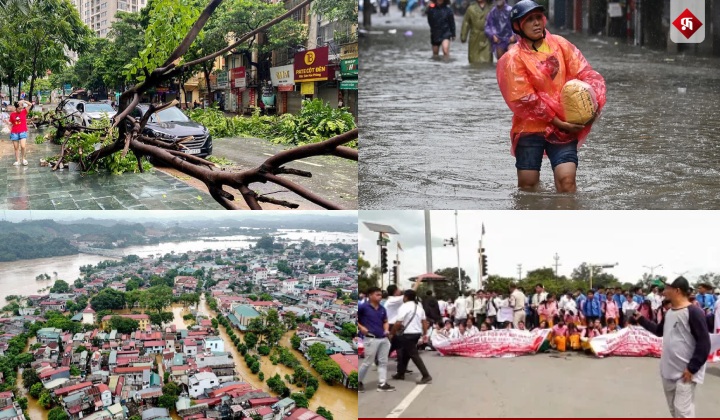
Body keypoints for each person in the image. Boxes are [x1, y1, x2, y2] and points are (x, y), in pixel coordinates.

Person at [496, 0, 606, 193]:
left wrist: (594, 101)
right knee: (527, 186)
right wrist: (559, 122)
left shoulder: (561, 45)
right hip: (530, 128)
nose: (536, 22)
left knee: (567, 182)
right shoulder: (513, 59)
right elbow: (525, 100)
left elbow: (585, 73)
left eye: (538, 17)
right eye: (529, 19)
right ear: (518, 26)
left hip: (564, 125)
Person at [635, 277, 711, 418]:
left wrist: (692, 368)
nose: (664, 291)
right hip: (668, 371)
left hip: (685, 373)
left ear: (677, 290)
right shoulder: (669, 312)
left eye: (667, 288)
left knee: (683, 412)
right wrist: (641, 319)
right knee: (674, 411)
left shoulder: (693, 312)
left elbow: (704, 343)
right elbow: (659, 331)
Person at [390, 290, 433, 384]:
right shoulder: (419, 308)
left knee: (413, 354)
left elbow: (398, 322)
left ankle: (426, 375)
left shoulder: (404, 307)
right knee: (406, 353)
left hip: (407, 334)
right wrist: (424, 333)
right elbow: (424, 322)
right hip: (417, 333)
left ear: (406, 297)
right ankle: (400, 373)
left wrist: (392, 333)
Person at [358, 287, 395, 393]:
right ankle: (359, 381)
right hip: (371, 339)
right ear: (370, 296)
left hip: (383, 338)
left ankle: (382, 384)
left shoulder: (382, 309)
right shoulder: (363, 307)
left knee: (383, 362)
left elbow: (385, 321)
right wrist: (361, 327)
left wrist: (387, 329)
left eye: (380, 294)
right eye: (377, 294)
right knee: (367, 362)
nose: (380, 296)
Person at [8, 100, 34, 166]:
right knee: (16, 148)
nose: (21, 109)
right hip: (14, 133)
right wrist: (9, 128)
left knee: (23, 146)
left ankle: (24, 159)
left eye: (21, 108)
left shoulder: (24, 112)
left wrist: (24, 101)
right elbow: (10, 123)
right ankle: (17, 161)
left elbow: (30, 105)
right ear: (16, 108)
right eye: (19, 108)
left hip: (23, 131)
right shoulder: (12, 114)